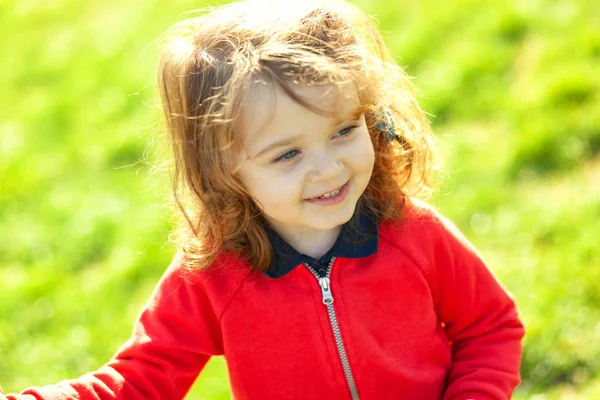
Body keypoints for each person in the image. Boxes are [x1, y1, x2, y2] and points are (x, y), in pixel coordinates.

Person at [1, 0, 525, 399]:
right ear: (225, 167)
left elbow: (490, 326)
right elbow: (138, 379)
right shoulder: (212, 275)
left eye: (344, 130)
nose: (329, 167)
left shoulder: (413, 233)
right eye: (287, 155)